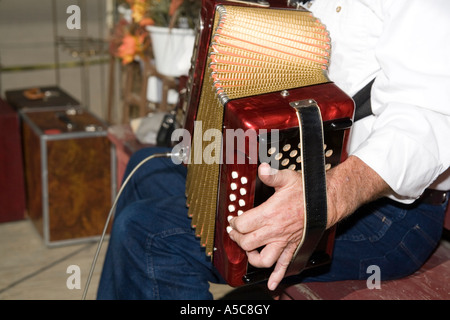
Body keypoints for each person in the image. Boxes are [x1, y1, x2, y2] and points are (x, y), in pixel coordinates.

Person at [96, 0, 450, 299]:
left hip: (384, 212)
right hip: (299, 168)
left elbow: (430, 119)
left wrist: (321, 200)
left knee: (147, 233)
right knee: (146, 167)